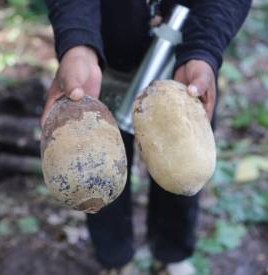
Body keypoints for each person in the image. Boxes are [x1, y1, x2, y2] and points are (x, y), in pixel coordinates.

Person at [42, 1, 251, 274]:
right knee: (97, 174)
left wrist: (204, 49)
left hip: (186, 60)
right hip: (103, 57)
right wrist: (78, 43)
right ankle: (114, 259)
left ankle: (171, 254)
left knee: (184, 167)